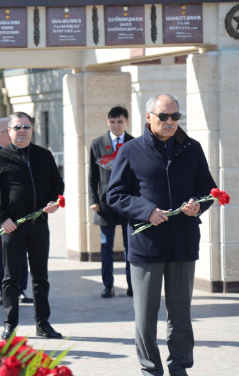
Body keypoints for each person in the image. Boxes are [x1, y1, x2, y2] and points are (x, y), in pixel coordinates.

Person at [107, 94, 216, 376]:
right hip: (147, 247)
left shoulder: (192, 148)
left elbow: (208, 190)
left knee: (180, 315)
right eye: (164, 117)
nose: (170, 122)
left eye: (175, 117)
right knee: (145, 317)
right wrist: (147, 210)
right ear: (148, 118)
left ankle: (179, 367)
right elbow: (115, 195)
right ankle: (150, 369)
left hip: (183, 244)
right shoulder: (130, 150)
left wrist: (197, 204)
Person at [0, 112, 65, 340]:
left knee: (40, 277)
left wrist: (54, 202)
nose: (22, 130)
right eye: (17, 127)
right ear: (8, 131)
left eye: (26, 127)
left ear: (32, 130)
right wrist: (2, 219)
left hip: (39, 226)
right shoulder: (0, 158)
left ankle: (43, 324)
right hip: (13, 228)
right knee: (10, 279)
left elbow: (58, 184)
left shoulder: (44, 155)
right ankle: (10, 324)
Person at [0, 117, 32, 305]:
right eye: (7, 131)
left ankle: (20, 289)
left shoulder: (23, 154)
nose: (11, 134)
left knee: (20, 251)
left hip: (20, 214)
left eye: (13, 130)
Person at [88, 106, 134, 298]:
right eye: (113, 121)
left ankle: (133, 285)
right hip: (105, 203)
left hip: (128, 202)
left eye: (120, 121)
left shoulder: (134, 143)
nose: (116, 125)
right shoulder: (98, 143)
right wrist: (93, 200)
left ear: (126, 122)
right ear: (108, 122)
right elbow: (92, 176)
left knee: (130, 246)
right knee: (106, 246)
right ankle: (108, 285)